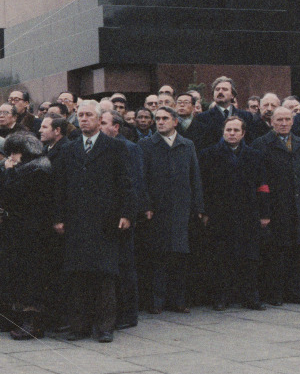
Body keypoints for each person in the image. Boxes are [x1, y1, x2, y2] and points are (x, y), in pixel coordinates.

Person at [54, 101, 136, 343]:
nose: (84, 119)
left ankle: (105, 327)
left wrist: (127, 214)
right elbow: (60, 186)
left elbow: (126, 183)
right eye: (81, 115)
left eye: (89, 115)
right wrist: (58, 217)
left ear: (100, 120)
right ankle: (79, 326)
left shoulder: (115, 147)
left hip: (105, 221)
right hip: (76, 221)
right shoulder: (68, 149)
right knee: (78, 275)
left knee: (104, 275)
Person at [139, 106, 204, 314]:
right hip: (157, 209)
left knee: (179, 256)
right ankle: (157, 301)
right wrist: (146, 205)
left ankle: (179, 300)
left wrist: (198, 206)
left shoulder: (187, 145)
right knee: (158, 256)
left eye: (165, 118)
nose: (160, 122)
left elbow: (195, 177)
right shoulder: (147, 145)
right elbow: (142, 179)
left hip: (181, 209)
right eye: (157, 118)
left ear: (175, 121)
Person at [200, 116, 269, 311]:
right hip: (220, 214)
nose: (232, 133)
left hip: (248, 214)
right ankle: (221, 297)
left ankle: (251, 297)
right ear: (223, 132)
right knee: (221, 257)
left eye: (236, 130)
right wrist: (204, 212)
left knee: (250, 258)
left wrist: (264, 213)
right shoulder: (209, 155)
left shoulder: (255, 155)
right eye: (228, 130)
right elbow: (203, 187)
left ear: (243, 133)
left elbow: (262, 186)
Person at [0, 133, 54, 339]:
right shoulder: (25, 168)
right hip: (17, 229)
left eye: (14, 153)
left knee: (31, 277)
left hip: (32, 231)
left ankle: (33, 322)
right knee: (17, 274)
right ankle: (18, 316)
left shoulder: (37, 169)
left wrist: (9, 173)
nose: (11, 157)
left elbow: (13, 193)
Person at [253, 106, 300, 306]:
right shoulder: (261, 144)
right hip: (275, 206)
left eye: (287, 120)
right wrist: (264, 211)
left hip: (298, 207)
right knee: (276, 252)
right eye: (279, 120)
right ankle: (276, 293)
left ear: (292, 121)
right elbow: (260, 179)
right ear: (271, 122)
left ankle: (296, 291)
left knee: (298, 250)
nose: (283, 124)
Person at [100, 110, 146, 330]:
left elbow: (134, 183)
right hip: (108, 217)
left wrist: (128, 213)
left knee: (125, 265)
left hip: (123, 217)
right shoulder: (102, 147)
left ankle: (128, 314)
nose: (100, 127)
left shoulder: (129, 148)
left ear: (116, 127)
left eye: (104, 123)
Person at [188, 76, 253, 150]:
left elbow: (250, 142)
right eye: (217, 89)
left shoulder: (246, 116)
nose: (220, 92)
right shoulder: (202, 118)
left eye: (225, 89)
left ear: (232, 95)